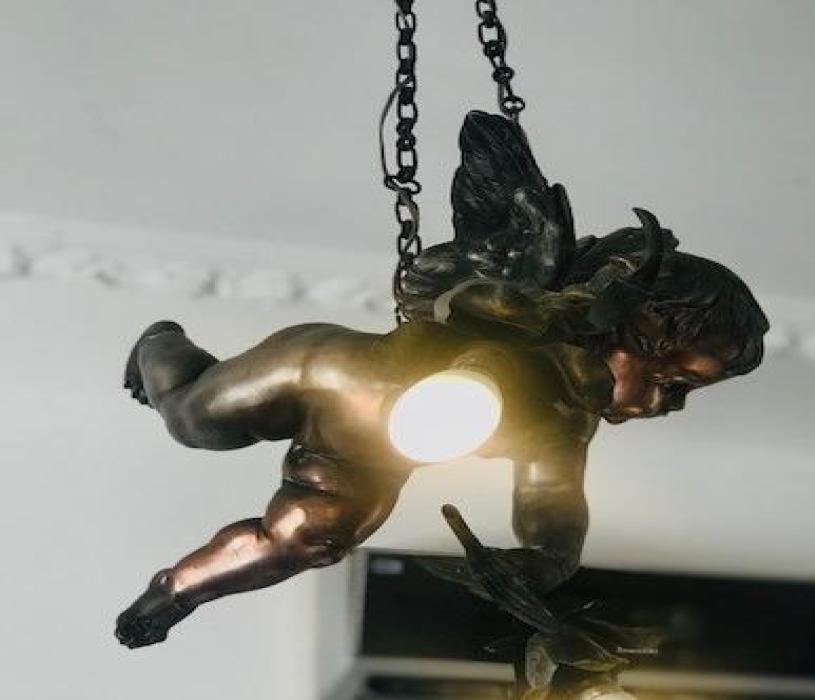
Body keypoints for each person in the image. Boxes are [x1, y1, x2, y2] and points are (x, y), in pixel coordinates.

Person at [115, 111, 768, 648]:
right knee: (192, 422)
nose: (667, 405)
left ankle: (176, 591)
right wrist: (513, 313)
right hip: (318, 373)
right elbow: (460, 302)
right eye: (673, 382)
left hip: (366, 453)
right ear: (632, 329)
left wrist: (548, 558)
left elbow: (552, 498)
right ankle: (160, 343)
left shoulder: (564, 422)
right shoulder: (514, 312)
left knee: (311, 540)